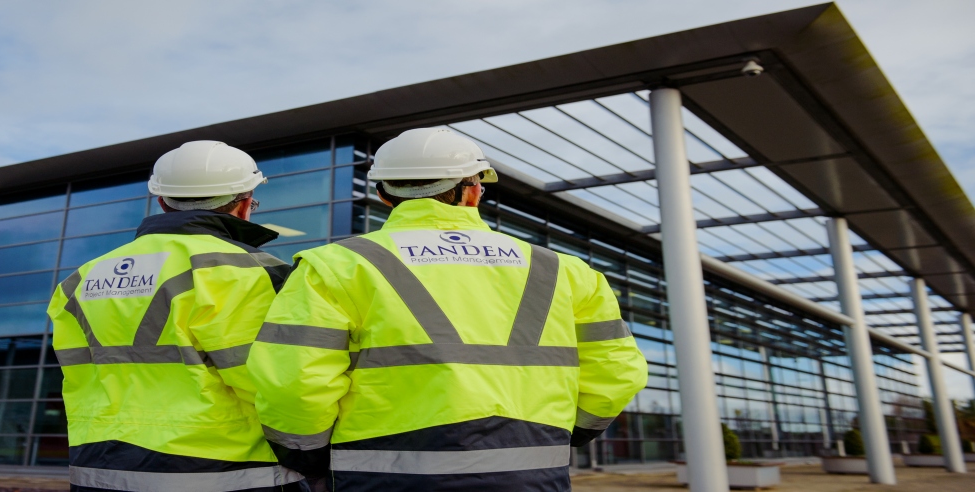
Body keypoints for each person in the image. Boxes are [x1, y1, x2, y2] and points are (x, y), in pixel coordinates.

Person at [246, 128, 648, 491]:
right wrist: (561, 433)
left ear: (384, 195)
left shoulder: (335, 266)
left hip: (381, 476)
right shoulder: (566, 271)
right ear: (473, 192)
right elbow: (617, 372)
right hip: (532, 473)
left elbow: (294, 381)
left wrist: (308, 455)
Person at [48, 141, 307, 491]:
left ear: (162, 202)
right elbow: (275, 386)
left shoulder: (78, 280)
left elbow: (79, 377)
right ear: (245, 204)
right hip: (224, 473)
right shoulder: (248, 272)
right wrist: (309, 456)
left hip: (101, 470)